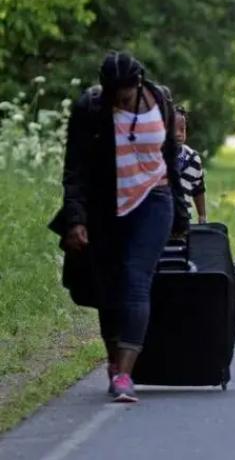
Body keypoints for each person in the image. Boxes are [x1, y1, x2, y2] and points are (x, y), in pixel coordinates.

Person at [49, 52, 183, 403]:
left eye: (123, 97)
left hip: (154, 201)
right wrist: (76, 219)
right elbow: (75, 169)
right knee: (108, 285)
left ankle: (124, 374)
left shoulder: (160, 100)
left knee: (136, 278)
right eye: (113, 96)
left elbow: (170, 156)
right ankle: (113, 362)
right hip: (105, 207)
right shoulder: (91, 107)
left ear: (137, 84)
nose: (118, 103)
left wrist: (181, 213)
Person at [173, 106, 207, 232]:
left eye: (182, 129)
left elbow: (199, 189)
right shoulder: (158, 157)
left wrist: (202, 216)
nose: (178, 134)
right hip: (161, 217)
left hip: (184, 218)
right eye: (173, 129)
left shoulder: (193, 159)